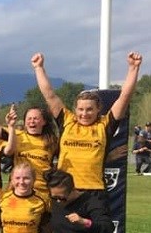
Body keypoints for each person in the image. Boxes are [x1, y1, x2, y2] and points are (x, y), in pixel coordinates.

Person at [32, 51, 143, 191]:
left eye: (89, 109)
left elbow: (124, 97)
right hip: (65, 192)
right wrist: (39, 68)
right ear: (75, 110)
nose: (84, 114)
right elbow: (50, 95)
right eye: (81, 109)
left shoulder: (105, 125)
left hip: (94, 192)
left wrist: (133, 68)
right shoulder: (67, 121)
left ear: (98, 110)